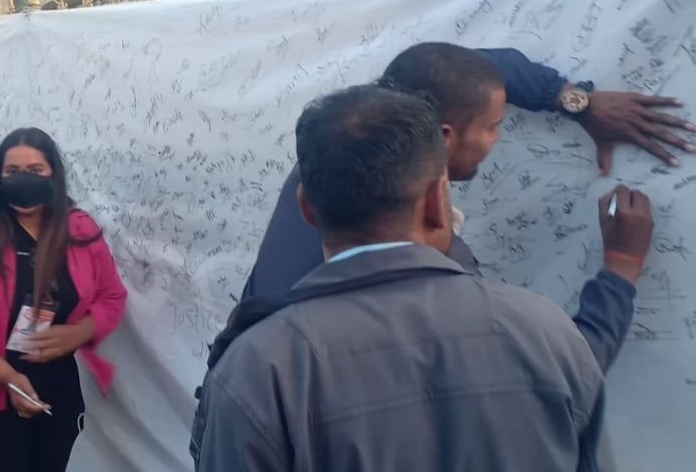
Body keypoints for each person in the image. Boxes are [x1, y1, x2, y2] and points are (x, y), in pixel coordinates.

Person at [195, 85, 649, 471]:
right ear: (437, 200)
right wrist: (622, 266)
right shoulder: (546, 331)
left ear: (306, 209)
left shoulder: (258, 368)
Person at [239, 42, 678, 373]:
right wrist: (622, 267)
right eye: (492, 126)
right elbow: (564, 371)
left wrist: (573, 99)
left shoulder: (333, 155)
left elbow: (457, 69)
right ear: (445, 141)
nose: (497, 138)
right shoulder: (433, 267)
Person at [0, 128, 128, 472]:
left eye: (35, 170)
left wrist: (82, 330)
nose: (24, 179)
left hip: (57, 392)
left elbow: (112, 295)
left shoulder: (80, 230)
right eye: (13, 171)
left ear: (53, 174)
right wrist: (7, 377)